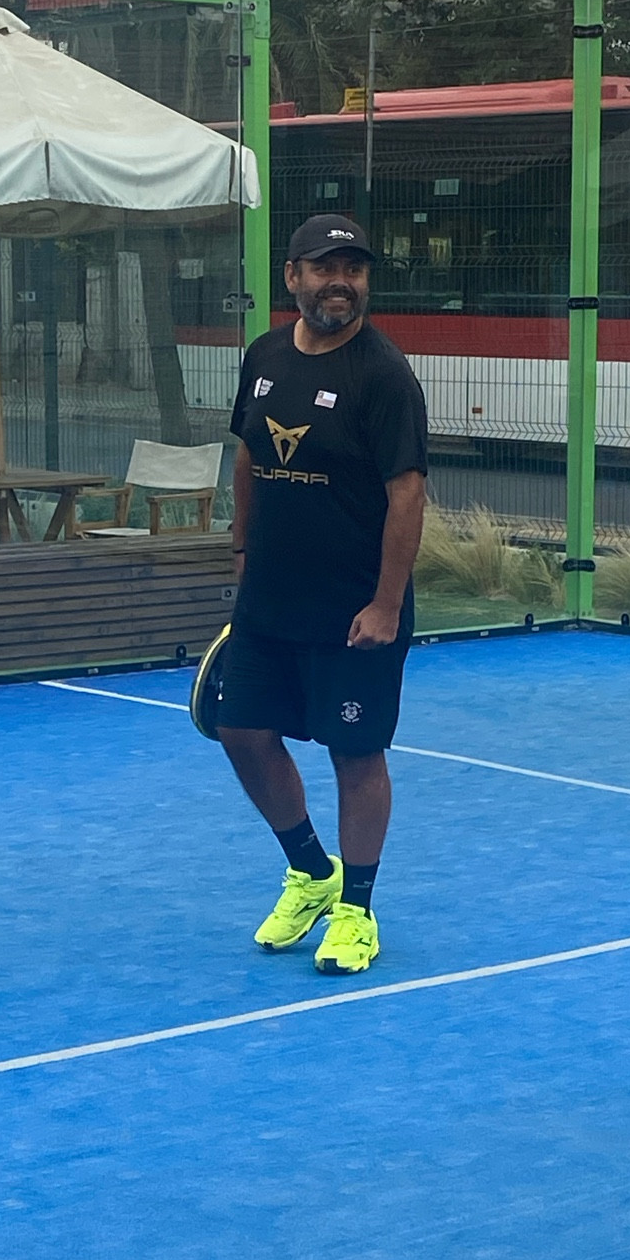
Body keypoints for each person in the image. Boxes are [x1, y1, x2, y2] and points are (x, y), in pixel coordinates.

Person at [217, 213, 428, 975]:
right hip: (270, 600)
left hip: (354, 610)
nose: (341, 282)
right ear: (293, 278)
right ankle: (311, 871)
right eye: (325, 268)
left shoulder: (384, 375)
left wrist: (386, 603)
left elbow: (407, 495)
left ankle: (357, 911)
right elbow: (250, 455)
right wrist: (242, 547)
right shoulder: (265, 356)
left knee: (354, 754)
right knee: (240, 732)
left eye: (354, 270)